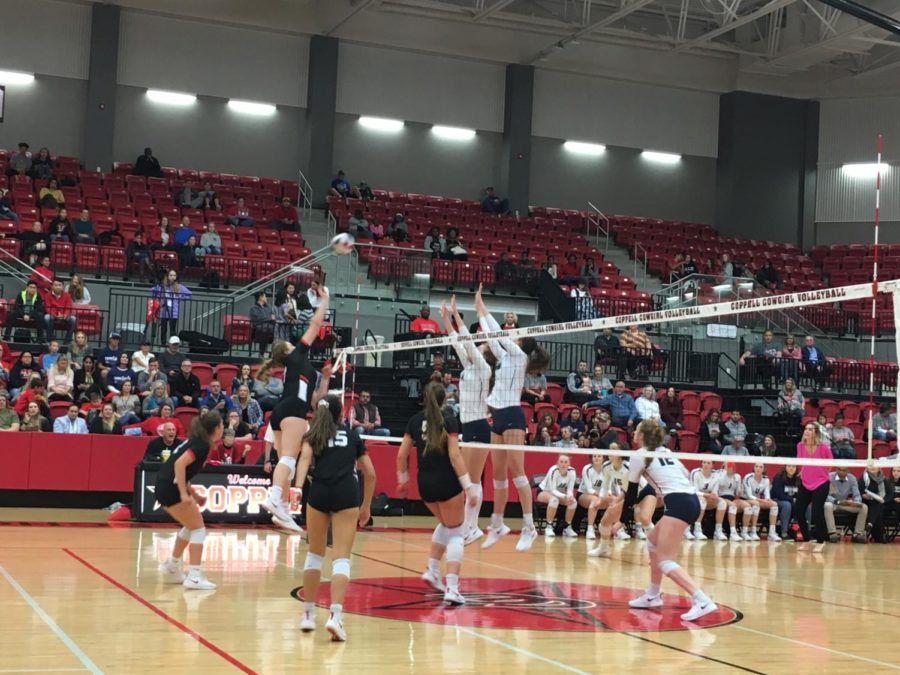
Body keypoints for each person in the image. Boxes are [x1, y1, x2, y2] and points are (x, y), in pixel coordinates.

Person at [475, 284, 550, 552]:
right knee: (497, 474)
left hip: (514, 416)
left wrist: (483, 308)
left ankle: (529, 527)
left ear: (521, 343)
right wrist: (480, 307)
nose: (513, 335)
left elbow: (496, 332)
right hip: (498, 415)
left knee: (518, 473)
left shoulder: (518, 356)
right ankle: (498, 523)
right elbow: (492, 337)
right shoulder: (506, 356)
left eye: (516, 335)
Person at [618, 420, 717, 621]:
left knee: (665, 560)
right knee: (652, 541)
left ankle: (702, 600)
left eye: (637, 431)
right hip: (690, 499)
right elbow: (686, 474)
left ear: (643, 436)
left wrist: (622, 520)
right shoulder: (666, 452)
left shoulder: (639, 456)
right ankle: (653, 595)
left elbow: (631, 493)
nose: (633, 434)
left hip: (679, 503)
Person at [295, 395, 375, 639]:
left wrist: (297, 489)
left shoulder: (313, 435)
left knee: (314, 555)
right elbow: (370, 473)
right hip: (346, 494)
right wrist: (366, 506)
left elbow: (305, 460)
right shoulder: (352, 435)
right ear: (341, 414)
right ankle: (335, 616)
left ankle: (307, 615)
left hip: (319, 492)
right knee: (341, 559)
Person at [260, 285, 332, 533]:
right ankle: (274, 497)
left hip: (285, 411)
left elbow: (317, 401)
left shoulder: (302, 368)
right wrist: (325, 302)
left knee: (285, 462)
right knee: (290, 458)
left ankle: (281, 508)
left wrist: (325, 378)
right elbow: (315, 326)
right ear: (287, 350)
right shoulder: (296, 355)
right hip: (292, 411)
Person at [396, 383, 475, 606]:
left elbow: (402, 456)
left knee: (445, 524)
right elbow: (455, 456)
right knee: (457, 532)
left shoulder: (413, 420)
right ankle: (452, 588)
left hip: (425, 484)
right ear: (444, 399)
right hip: (446, 481)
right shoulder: (448, 419)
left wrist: (403, 480)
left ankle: (432, 570)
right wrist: (468, 485)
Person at [441, 297, 495, 545]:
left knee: (472, 480)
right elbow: (458, 344)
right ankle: (469, 527)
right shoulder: (469, 367)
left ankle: (470, 527)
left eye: (483, 346)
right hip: (469, 425)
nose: (480, 346)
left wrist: (457, 316)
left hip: (480, 427)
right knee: (468, 481)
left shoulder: (484, 368)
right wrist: (446, 319)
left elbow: (468, 343)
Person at [156, 412, 224, 590]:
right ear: (216, 429)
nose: (223, 429)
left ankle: (172, 566)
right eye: (222, 425)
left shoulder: (197, 441)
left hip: (164, 485)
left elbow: (181, 471)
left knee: (191, 526)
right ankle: (194, 576)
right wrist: (183, 494)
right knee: (199, 529)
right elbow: (179, 465)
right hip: (170, 489)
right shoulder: (201, 445)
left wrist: (193, 494)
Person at [795, 423, 833, 549]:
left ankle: (821, 541)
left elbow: (831, 463)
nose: (807, 431)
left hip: (821, 483)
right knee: (799, 511)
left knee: (817, 512)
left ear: (815, 432)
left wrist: (821, 473)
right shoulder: (800, 446)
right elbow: (801, 463)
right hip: (805, 482)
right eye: (806, 429)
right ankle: (806, 539)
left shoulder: (823, 448)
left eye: (810, 429)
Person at [537, 454, 578, 538]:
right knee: (554, 500)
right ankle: (549, 527)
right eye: (561, 462)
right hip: (544, 491)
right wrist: (564, 496)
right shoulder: (553, 470)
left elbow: (570, 489)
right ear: (557, 463)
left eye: (566, 462)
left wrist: (570, 496)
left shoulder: (572, 471)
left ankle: (567, 527)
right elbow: (553, 490)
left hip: (559, 494)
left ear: (569, 463)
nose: (563, 464)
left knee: (573, 502)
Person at [824, 467, 868, 543]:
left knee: (863, 507)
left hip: (845, 503)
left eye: (844, 470)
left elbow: (857, 494)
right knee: (827, 505)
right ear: (836, 470)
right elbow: (824, 495)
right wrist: (837, 501)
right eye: (839, 470)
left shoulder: (852, 478)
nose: (841, 472)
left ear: (848, 471)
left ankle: (857, 534)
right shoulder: (829, 477)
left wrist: (856, 502)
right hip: (834, 502)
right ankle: (832, 533)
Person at [741, 463, 781, 541]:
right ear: (754, 468)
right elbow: (749, 495)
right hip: (746, 499)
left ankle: (772, 533)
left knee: (774, 504)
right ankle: (753, 531)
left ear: (764, 469)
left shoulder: (766, 479)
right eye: (756, 466)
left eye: (760, 467)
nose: (758, 468)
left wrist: (768, 500)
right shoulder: (748, 477)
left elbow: (767, 494)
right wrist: (761, 500)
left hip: (758, 500)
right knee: (756, 504)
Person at [151, 270, 192, 345]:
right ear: (167, 276)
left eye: (174, 275)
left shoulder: (179, 286)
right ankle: (163, 344)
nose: (173, 277)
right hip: (164, 311)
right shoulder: (163, 286)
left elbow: (189, 294)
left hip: (173, 311)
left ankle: (172, 345)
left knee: (172, 329)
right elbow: (153, 290)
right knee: (163, 329)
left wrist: (180, 298)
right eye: (171, 275)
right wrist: (158, 294)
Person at [713, 463, 747, 542]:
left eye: (731, 465)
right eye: (727, 466)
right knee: (732, 506)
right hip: (721, 497)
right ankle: (732, 532)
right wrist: (725, 472)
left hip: (733, 498)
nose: (729, 467)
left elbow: (738, 492)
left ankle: (745, 532)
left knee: (747, 506)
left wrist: (739, 491)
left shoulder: (737, 476)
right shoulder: (719, 474)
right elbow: (717, 488)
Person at [689, 461, 720, 540]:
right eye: (704, 462)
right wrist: (707, 495)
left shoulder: (716, 475)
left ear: (713, 465)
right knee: (702, 501)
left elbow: (715, 491)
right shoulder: (695, 472)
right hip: (692, 496)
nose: (705, 465)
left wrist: (714, 495)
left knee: (722, 503)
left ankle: (718, 531)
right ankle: (697, 529)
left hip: (707, 496)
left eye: (708, 463)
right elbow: (694, 491)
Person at [859, 462, 887, 543]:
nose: (872, 467)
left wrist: (884, 499)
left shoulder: (884, 479)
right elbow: (858, 492)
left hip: (880, 503)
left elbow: (889, 494)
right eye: (870, 465)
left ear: (879, 468)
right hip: (865, 501)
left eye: (875, 465)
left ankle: (869, 527)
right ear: (867, 467)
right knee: (876, 505)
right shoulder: (863, 478)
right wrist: (863, 495)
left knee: (877, 504)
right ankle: (879, 535)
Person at [771, 464, 800, 541]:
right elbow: (779, 494)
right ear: (785, 467)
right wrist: (793, 500)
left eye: (793, 466)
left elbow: (801, 494)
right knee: (786, 505)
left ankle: (806, 532)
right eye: (789, 466)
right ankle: (784, 532)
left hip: (792, 502)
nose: (791, 468)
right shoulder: (778, 477)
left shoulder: (798, 479)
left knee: (806, 506)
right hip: (777, 501)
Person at [43, 279, 76, 345]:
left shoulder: (67, 295)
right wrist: (56, 315)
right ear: (52, 286)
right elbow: (48, 308)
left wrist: (64, 315)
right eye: (55, 285)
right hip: (52, 315)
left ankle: (67, 341)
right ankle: (50, 340)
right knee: (47, 317)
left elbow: (68, 307)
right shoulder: (47, 295)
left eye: (59, 285)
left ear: (62, 287)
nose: (57, 287)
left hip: (64, 315)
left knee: (73, 319)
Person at [249, 291, 275, 358]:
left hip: (270, 328)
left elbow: (273, 316)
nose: (266, 298)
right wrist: (269, 318)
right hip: (258, 329)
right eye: (265, 296)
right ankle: (261, 352)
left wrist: (269, 318)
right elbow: (258, 319)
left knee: (278, 329)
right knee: (265, 328)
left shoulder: (269, 306)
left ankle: (273, 353)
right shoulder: (253, 308)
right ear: (260, 297)